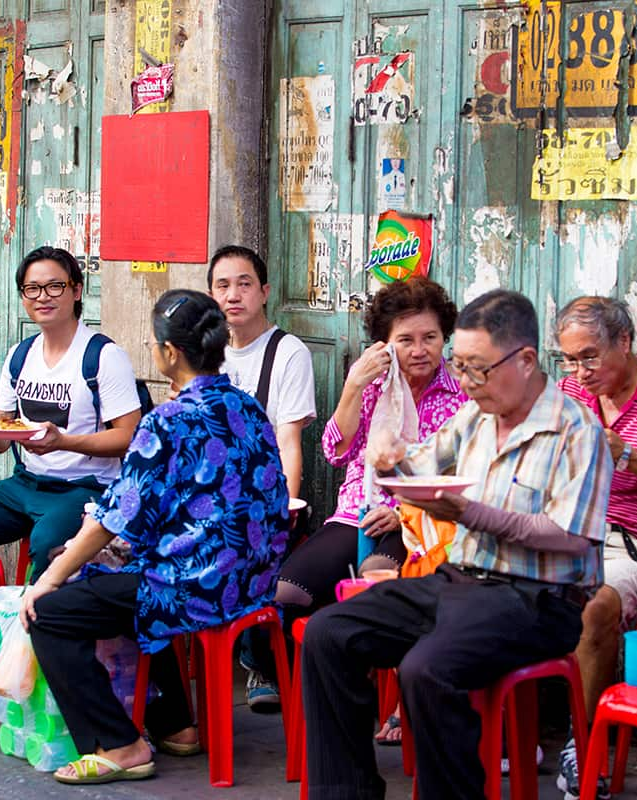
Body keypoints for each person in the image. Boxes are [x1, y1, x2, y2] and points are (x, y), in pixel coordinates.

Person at [301, 289, 611, 800]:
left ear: (526, 360)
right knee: (329, 632)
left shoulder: (577, 432)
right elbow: (419, 465)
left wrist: (473, 514)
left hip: (537, 598)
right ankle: (346, 793)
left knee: (427, 668)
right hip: (460, 581)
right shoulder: (477, 418)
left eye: (476, 369)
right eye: (461, 368)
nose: (465, 382)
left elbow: (572, 537)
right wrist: (389, 459)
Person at [19, 289, 289, 785]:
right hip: (253, 582)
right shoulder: (245, 406)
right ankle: (176, 725)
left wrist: (46, 582)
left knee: (53, 614)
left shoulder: (165, 421)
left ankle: (119, 744)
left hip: (197, 588)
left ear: (170, 353)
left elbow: (112, 517)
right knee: (125, 578)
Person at [244, 277, 468, 715]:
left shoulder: (461, 390)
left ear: (446, 338)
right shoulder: (372, 386)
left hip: (425, 520)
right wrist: (352, 388)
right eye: (405, 340)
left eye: (430, 338)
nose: (419, 349)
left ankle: (382, 699)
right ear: (385, 344)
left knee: (374, 576)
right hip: (357, 511)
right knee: (286, 591)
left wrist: (403, 507)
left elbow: (463, 470)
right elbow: (335, 449)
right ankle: (290, 684)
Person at [0, 246, 141, 632]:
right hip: (26, 484)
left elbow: (129, 438)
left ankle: (35, 646)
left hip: (86, 488)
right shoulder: (20, 355)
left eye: (54, 286)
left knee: (46, 542)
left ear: (76, 291)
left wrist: (65, 442)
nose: (43, 297)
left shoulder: (103, 356)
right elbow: (2, 440)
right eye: (32, 289)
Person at [552, 296, 637, 800]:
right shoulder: (567, 392)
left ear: (625, 341)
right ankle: (496, 729)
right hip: (566, 534)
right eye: (571, 359)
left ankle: (584, 746)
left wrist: (624, 454)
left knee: (595, 602)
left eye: (590, 357)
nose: (580, 371)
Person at [207, 244, 315, 499]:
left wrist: (284, 511)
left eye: (244, 284)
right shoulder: (205, 353)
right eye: (223, 286)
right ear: (211, 296)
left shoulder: (289, 353)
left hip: (258, 494)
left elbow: (288, 444)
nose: (233, 296)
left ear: (264, 292)